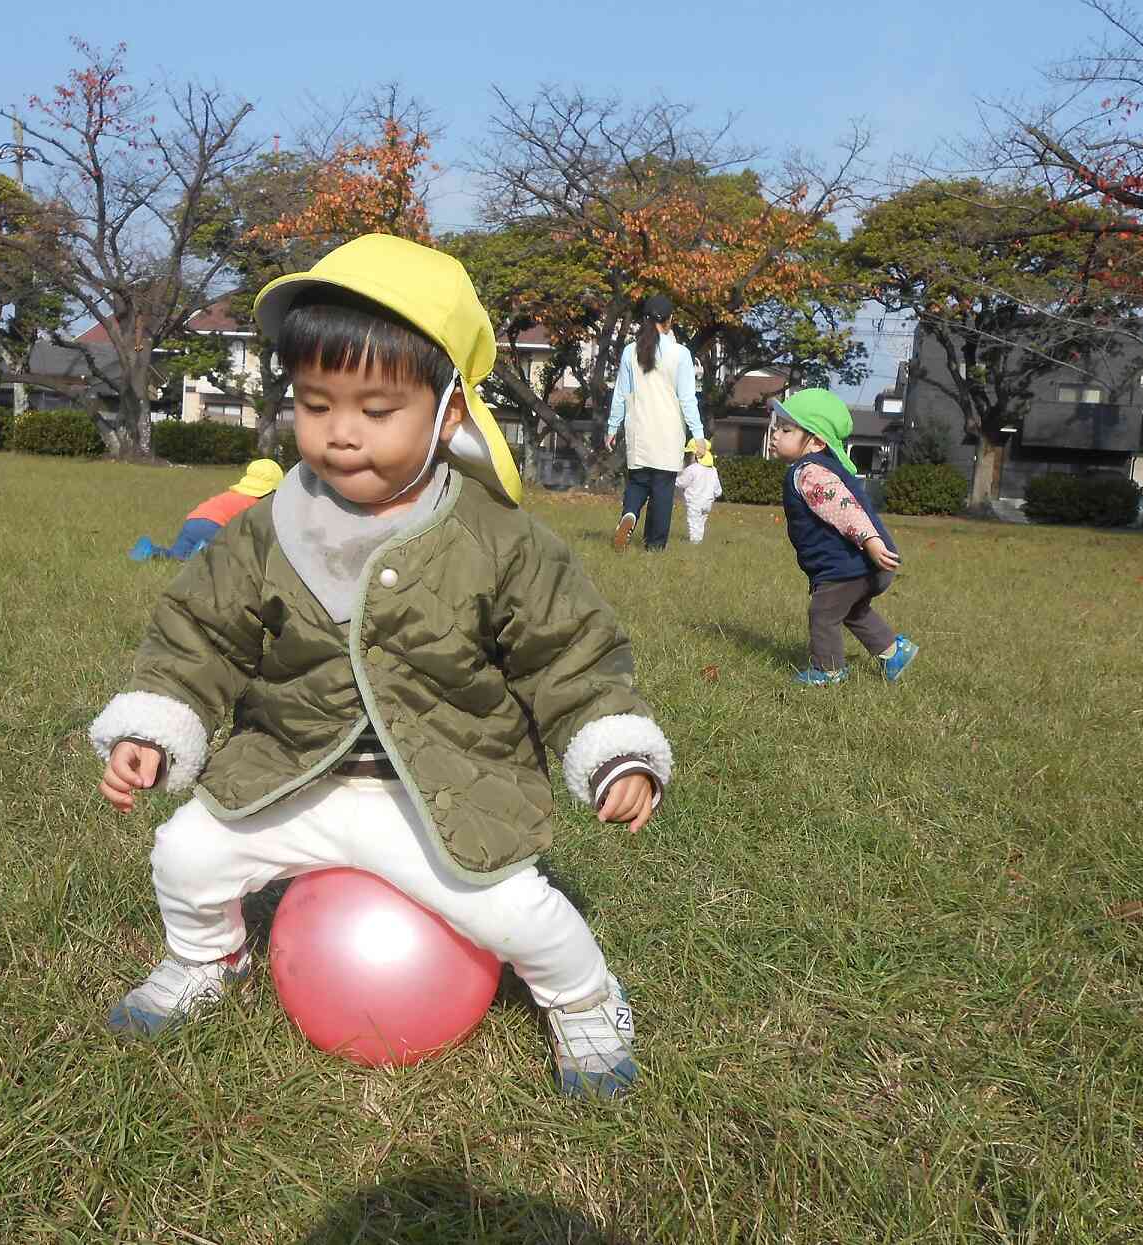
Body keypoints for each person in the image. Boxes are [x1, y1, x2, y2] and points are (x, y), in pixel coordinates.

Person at [89, 234, 674, 1099]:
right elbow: (199, 635)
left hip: (437, 793)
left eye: (375, 409)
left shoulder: (494, 539)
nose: (341, 434)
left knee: (515, 911)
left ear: (446, 415)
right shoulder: (267, 528)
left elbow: (569, 652)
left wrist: (613, 748)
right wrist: (153, 724)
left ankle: (584, 1001)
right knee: (186, 854)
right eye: (317, 405)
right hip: (290, 777)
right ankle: (206, 960)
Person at [768, 388, 920, 686]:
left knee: (823, 613)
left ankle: (828, 670)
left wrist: (869, 541)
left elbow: (845, 508)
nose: (775, 434)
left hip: (853, 563)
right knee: (852, 610)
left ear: (816, 441)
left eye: (786, 429)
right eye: (777, 427)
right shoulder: (822, 467)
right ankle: (893, 652)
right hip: (864, 563)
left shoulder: (810, 472)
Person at [604, 294, 707, 551]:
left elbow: (620, 394)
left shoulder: (630, 351)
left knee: (638, 483)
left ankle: (629, 515)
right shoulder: (681, 354)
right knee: (662, 490)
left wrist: (611, 427)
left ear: (645, 319)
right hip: (669, 433)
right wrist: (698, 435)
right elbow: (687, 399)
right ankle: (654, 547)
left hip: (638, 430)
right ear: (670, 320)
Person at [127, 459, 284, 561]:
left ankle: (150, 551)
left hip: (193, 520)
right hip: (215, 526)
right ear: (273, 490)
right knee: (225, 556)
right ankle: (203, 555)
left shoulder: (233, 495)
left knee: (176, 556)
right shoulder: (258, 504)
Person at [674, 437, 723, 544]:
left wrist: (674, 480)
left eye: (690, 454)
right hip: (708, 502)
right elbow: (718, 489)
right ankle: (699, 539)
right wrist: (716, 494)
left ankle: (694, 541)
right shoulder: (713, 470)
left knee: (693, 521)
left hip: (695, 502)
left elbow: (682, 482)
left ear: (696, 455)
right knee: (701, 522)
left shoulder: (692, 469)